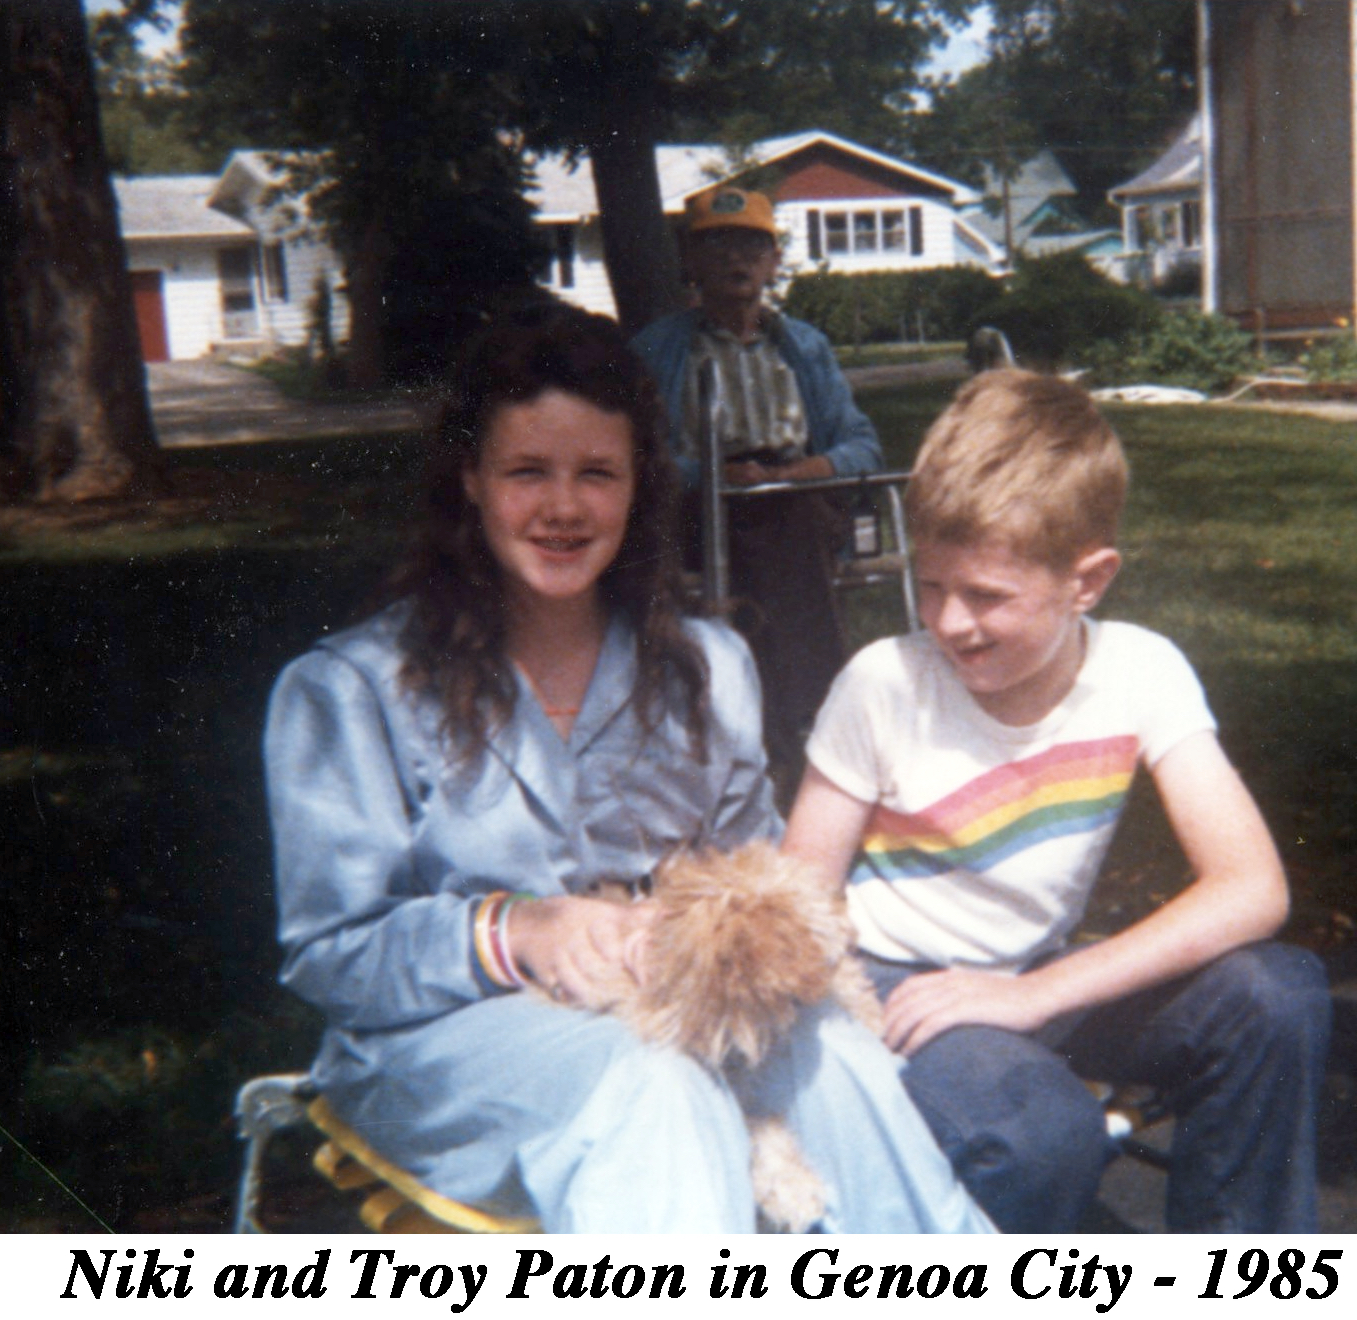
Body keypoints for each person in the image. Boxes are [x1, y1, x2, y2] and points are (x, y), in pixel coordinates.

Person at [263, 302, 992, 1234]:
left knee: (832, 1055)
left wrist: (721, 931)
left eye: (596, 474)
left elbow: (752, 871)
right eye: (528, 471)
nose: (564, 507)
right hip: (452, 1043)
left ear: (639, 487)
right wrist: (517, 931)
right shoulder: (350, 691)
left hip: (669, 1006)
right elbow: (334, 954)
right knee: (654, 1092)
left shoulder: (709, 665)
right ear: (471, 482)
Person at [783, 369, 1330, 1233]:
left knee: (1277, 995)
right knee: (1042, 1133)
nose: (949, 622)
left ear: (1089, 581)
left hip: (1037, 977)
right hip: (898, 984)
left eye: (987, 596)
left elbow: (1253, 889)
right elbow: (795, 899)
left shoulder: (1141, 670)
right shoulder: (885, 684)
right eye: (931, 585)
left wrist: (1038, 995)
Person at [632, 185, 883, 764]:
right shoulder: (659, 349)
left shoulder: (804, 347)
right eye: (716, 247)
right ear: (689, 264)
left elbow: (862, 447)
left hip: (795, 495)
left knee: (786, 516)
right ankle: (822, 718)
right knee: (774, 527)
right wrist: (713, 475)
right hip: (701, 504)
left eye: (751, 246)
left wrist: (802, 470)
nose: (735, 260)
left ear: (774, 261)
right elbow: (637, 458)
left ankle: (768, 730)